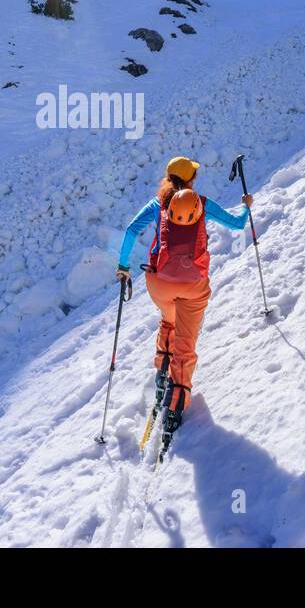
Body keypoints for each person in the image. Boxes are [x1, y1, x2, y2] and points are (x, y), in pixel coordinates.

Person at [116, 155, 253, 442]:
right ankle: (176, 406)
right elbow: (238, 224)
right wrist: (246, 206)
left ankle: (162, 369)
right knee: (186, 344)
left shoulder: (158, 204)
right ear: (190, 179)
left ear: (168, 178)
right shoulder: (201, 204)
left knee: (169, 319)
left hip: (159, 283)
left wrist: (124, 266)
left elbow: (130, 231)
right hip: (193, 285)